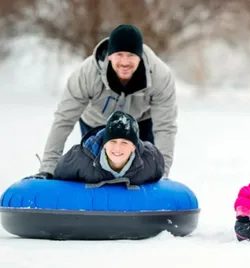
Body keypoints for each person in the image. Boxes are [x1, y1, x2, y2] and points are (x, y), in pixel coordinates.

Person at [32, 24, 177, 179]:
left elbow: (165, 127)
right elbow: (63, 120)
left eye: (131, 56)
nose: (125, 62)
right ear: (109, 55)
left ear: (140, 56)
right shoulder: (86, 74)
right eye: (119, 54)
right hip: (96, 122)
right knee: (95, 169)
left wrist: (162, 174)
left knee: (143, 170)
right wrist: (48, 168)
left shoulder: (160, 77)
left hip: (141, 123)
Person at [53, 111, 165, 187]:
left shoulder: (150, 160)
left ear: (133, 147)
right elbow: (59, 176)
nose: (117, 148)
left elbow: (159, 179)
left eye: (124, 143)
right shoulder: (80, 157)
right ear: (104, 144)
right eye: (113, 141)